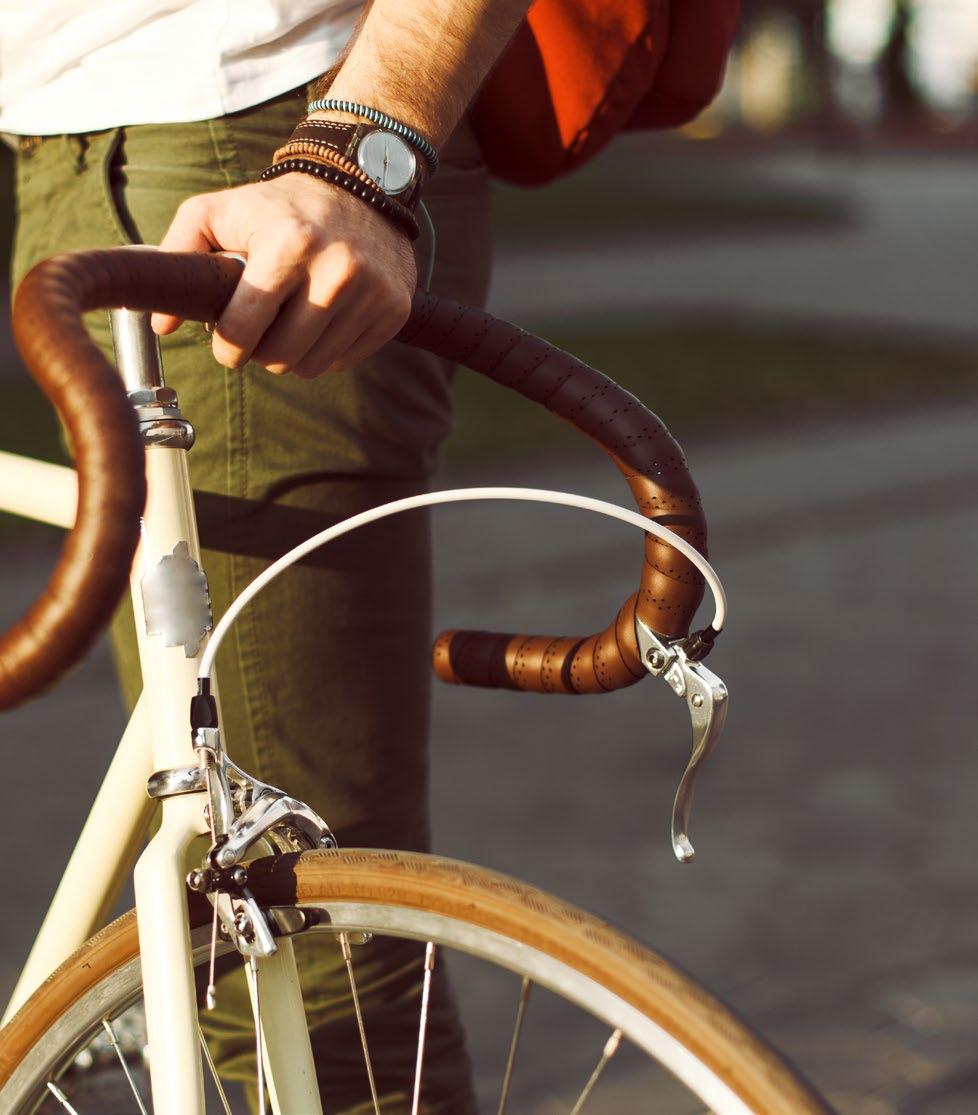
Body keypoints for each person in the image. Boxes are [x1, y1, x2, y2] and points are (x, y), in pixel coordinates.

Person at [1, 0, 531, 1108]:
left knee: (308, 972)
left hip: (259, 163)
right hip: (70, 147)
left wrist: (363, 150)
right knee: (253, 928)